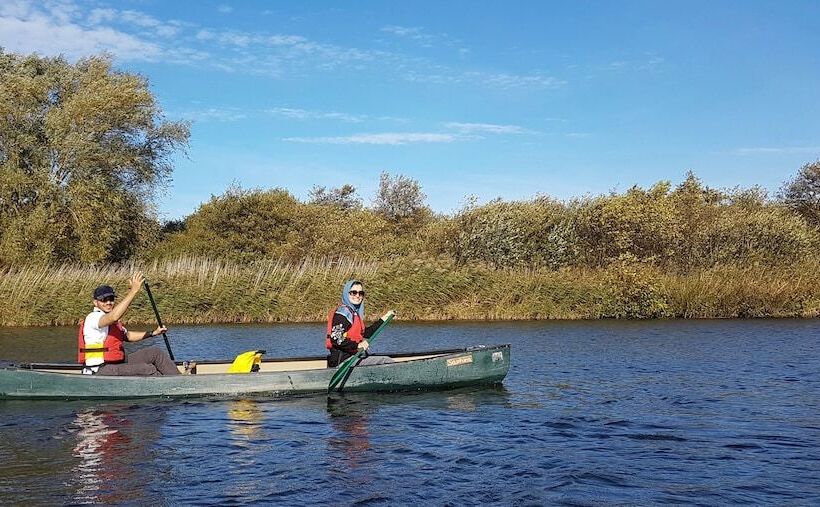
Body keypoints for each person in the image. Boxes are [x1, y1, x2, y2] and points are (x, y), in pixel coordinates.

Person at [78, 271, 185, 376]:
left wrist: (153, 333)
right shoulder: (93, 318)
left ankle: (179, 380)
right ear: (95, 302)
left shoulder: (113, 323)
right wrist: (133, 291)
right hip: (100, 369)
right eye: (103, 300)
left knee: (155, 353)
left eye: (111, 299)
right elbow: (114, 316)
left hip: (117, 362)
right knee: (146, 369)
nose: (108, 302)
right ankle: (171, 386)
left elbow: (128, 336)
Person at [326, 280, 395, 368]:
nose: (357, 296)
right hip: (344, 362)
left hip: (353, 358)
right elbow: (336, 338)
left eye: (360, 293)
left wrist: (385, 318)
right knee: (386, 361)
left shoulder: (354, 313)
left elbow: (367, 333)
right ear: (347, 294)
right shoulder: (343, 313)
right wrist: (358, 345)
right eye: (353, 293)